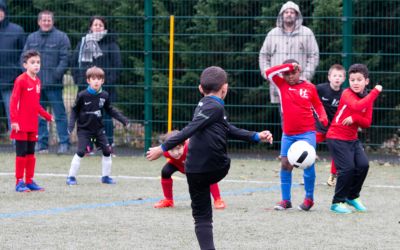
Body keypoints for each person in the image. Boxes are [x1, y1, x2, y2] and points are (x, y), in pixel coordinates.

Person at [147, 66, 273, 250]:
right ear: (225, 88)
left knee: (201, 217)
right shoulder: (214, 106)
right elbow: (191, 128)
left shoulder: (205, 105)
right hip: (216, 167)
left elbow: (226, 128)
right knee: (204, 209)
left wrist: (255, 136)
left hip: (193, 170)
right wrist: (163, 147)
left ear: (200, 89)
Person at [265, 59, 328, 211]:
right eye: (287, 74)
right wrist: (287, 66)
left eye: (293, 72)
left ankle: (309, 199)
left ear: (299, 71)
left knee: (308, 163)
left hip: (307, 133)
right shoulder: (281, 85)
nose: (290, 76)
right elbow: (268, 73)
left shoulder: (309, 87)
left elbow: (318, 104)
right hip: (288, 134)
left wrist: (323, 116)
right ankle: (286, 200)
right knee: (285, 164)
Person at [327, 64, 382, 214]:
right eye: (352, 80)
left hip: (352, 139)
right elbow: (357, 106)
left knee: (363, 165)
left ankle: (352, 196)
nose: (355, 83)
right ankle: (337, 202)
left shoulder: (367, 98)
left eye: (359, 79)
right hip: (336, 137)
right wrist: (376, 92)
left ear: (366, 81)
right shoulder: (346, 93)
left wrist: (355, 118)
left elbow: (366, 123)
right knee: (347, 169)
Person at [66, 66, 129, 185]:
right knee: (81, 151)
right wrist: (70, 126)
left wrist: (123, 120)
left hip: (98, 130)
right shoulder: (82, 95)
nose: (96, 81)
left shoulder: (104, 95)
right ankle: (71, 177)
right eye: (93, 78)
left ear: (102, 81)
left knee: (107, 151)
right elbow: (74, 111)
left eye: (99, 79)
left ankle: (105, 177)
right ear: (88, 81)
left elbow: (110, 110)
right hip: (84, 130)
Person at [71, 16, 122, 151]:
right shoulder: (83, 43)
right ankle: (87, 146)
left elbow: (117, 65)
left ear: (104, 27)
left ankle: (108, 144)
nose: (98, 27)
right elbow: (74, 62)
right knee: (86, 117)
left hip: (104, 88)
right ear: (90, 27)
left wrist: (107, 82)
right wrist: (78, 80)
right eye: (95, 24)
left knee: (105, 116)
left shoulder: (111, 43)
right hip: (85, 88)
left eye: (100, 25)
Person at [23, 10, 71, 154]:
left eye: (48, 20)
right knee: (38, 115)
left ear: (53, 21)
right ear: (39, 22)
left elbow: (65, 59)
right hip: (35, 85)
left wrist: (56, 74)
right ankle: (41, 144)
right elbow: (24, 58)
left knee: (60, 114)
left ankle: (64, 143)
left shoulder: (61, 37)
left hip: (54, 85)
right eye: (43, 20)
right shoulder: (31, 38)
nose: (46, 22)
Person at [259, 1, 319, 104]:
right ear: (282, 15)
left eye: (292, 12)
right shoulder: (272, 34)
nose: (289, 14)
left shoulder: (307, 33)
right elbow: (264, 55)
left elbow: (314, 55)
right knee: (283, 117)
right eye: (286, 12)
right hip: (279, 84)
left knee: (302, 116)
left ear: (297, 15)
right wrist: (268, 74)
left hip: (300, 84)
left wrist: (305, 76)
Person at [10, 50, 53, 192]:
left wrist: (47, 116)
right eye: (32, 62)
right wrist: (14, 120)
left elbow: (35, 105)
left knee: (31, 154)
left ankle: (29, 181)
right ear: (25, 65)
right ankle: (19, 182)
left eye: (38, 62)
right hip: (21, 125)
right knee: (21, 154)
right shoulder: (21, 80)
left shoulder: (38, 81)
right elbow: (13, 101)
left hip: (32, 125)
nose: (36, 65)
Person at [154, 130, 226, 209]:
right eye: (172, 150)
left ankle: (218, 200)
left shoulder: (192, 147)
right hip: (178, 164)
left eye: (178, 148)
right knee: (165, 172)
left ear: (184, 145)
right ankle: (168, 200)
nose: (175, 153)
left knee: (207, 175)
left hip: (195, 165)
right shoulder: (165, 152)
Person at [315, 64, 346, 187]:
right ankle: (307, 171)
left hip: (335, 128)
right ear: (329, 77)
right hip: (319, 125)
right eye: (334, 75)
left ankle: (333, 175)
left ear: (344, 79)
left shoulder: (345, 94)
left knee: (337, 151)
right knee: (308, 145)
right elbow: (309, 94)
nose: (337, 78)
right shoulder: (320, 89)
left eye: (340, 76)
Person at [0, 0, 25, 134]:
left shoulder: (17, 30)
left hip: (10, 80)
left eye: (0, 10)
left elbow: (24, 55)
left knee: (13, 114)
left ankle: (17, 143)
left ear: (5, 12)